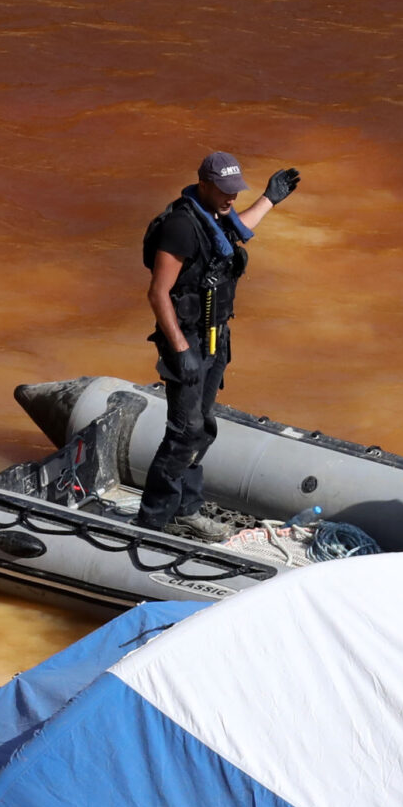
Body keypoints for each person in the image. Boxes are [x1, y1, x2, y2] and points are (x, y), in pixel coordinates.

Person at [135, 151, 302, 542]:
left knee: (203, 428)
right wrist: (180, 350)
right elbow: (158, 293)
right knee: (185, 430)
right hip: (187, 338)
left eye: (235, 190)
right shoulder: (180, 226)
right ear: (204, 185)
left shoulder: (216, 214)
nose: (232, 197)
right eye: (225, 190)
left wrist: (269, 199)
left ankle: (186, 511)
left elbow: (238, 228)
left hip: (215, 336)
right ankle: (152, 522)